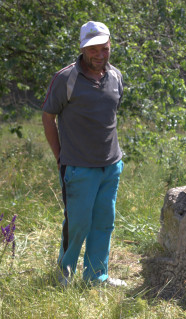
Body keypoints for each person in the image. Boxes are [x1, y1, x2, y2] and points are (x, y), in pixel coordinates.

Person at [41, 21, 126, 287]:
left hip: (111, 165)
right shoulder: (66, 78)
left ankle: (96, 277)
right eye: (94, 49)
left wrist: (115, 160)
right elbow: (48, 117)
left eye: (105, 48)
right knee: (77, 225)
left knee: (104, 223)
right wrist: (60, 156)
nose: (100, 54)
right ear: (82, 48)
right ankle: (65, 274)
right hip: (77, 166)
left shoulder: (116, 77)